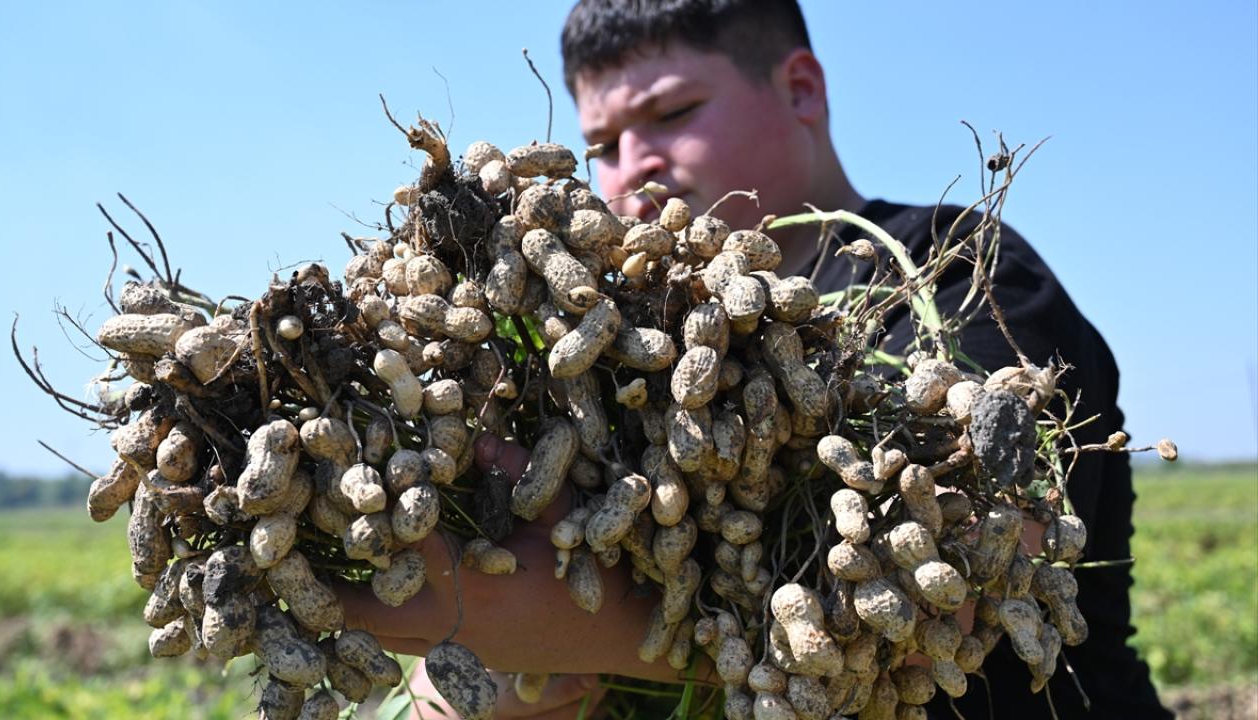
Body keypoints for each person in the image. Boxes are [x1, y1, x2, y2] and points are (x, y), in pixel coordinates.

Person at [341, 1, 1171, 717]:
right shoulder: (616, 340)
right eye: (602, 145)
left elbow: (960, 591)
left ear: (801, 89)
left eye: (672, 112)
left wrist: (587, 635)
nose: (635, 165)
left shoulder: (956, 272)